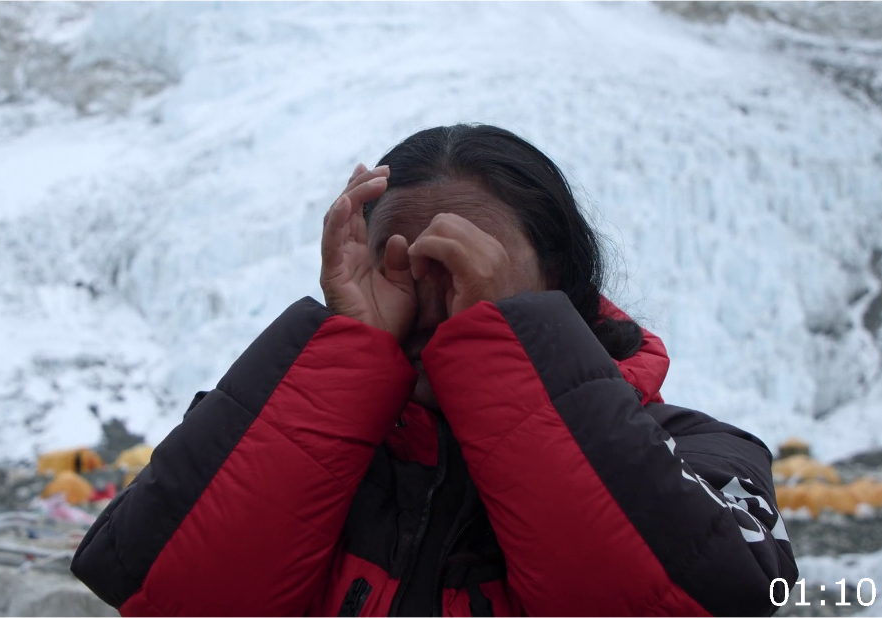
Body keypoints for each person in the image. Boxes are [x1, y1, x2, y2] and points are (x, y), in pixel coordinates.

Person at [71, 124, 798, 616]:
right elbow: (158, 589)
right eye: (402, 262)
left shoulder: (701, 453)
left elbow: (709, 602)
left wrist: (508, 346)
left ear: (562, 283)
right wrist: (348, 346)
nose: (434, 293)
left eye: (471, 258)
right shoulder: (296, 437)